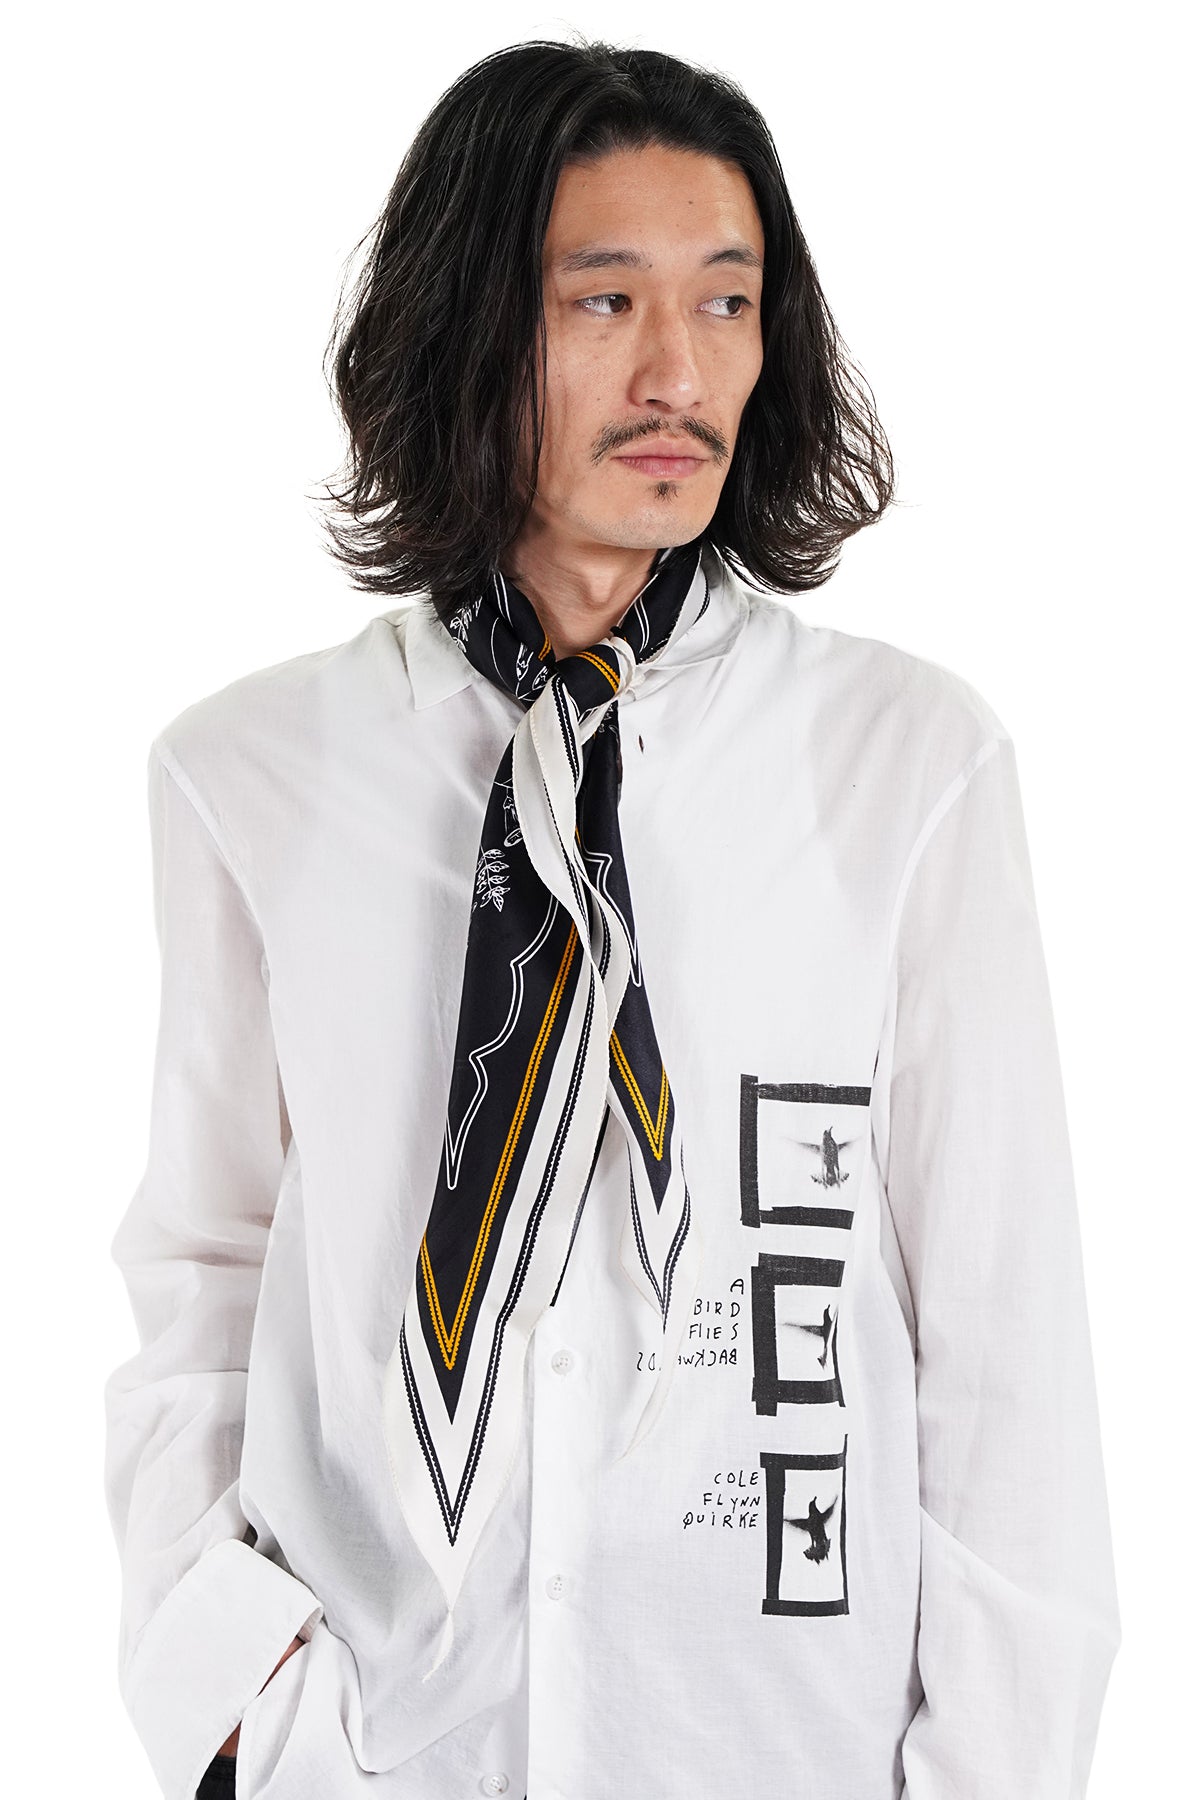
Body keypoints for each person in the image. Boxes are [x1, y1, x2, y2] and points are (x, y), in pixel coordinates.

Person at [102, 36, 1121, 1800]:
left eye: (727, 302)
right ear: (464, 326)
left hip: (781, 1748)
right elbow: (206, 1268)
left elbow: (1006, 1343)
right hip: (386, 1748)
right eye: (604, 301)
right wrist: (233, 1695)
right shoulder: (250, 776)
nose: (679, 373)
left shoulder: (907, 765)